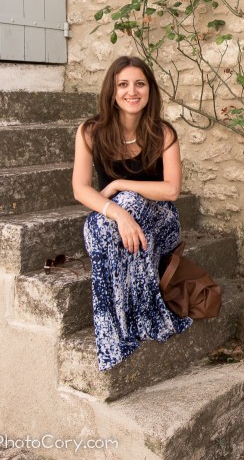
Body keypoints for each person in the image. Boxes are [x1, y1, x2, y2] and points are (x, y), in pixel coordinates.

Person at [72, 55, 191, 371]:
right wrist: (117, 212)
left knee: (130, 200)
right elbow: (81, 189)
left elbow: (171, 191)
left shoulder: (164, 133)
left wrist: (121, 184)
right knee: (102, 224)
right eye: (123, 84)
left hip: (160, 222)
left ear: (150, 90)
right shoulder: (89, 131)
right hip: (117, 222)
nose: (131, 91)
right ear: (112, 91)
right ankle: (120, 331)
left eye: (139, 83)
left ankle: (126, 326)